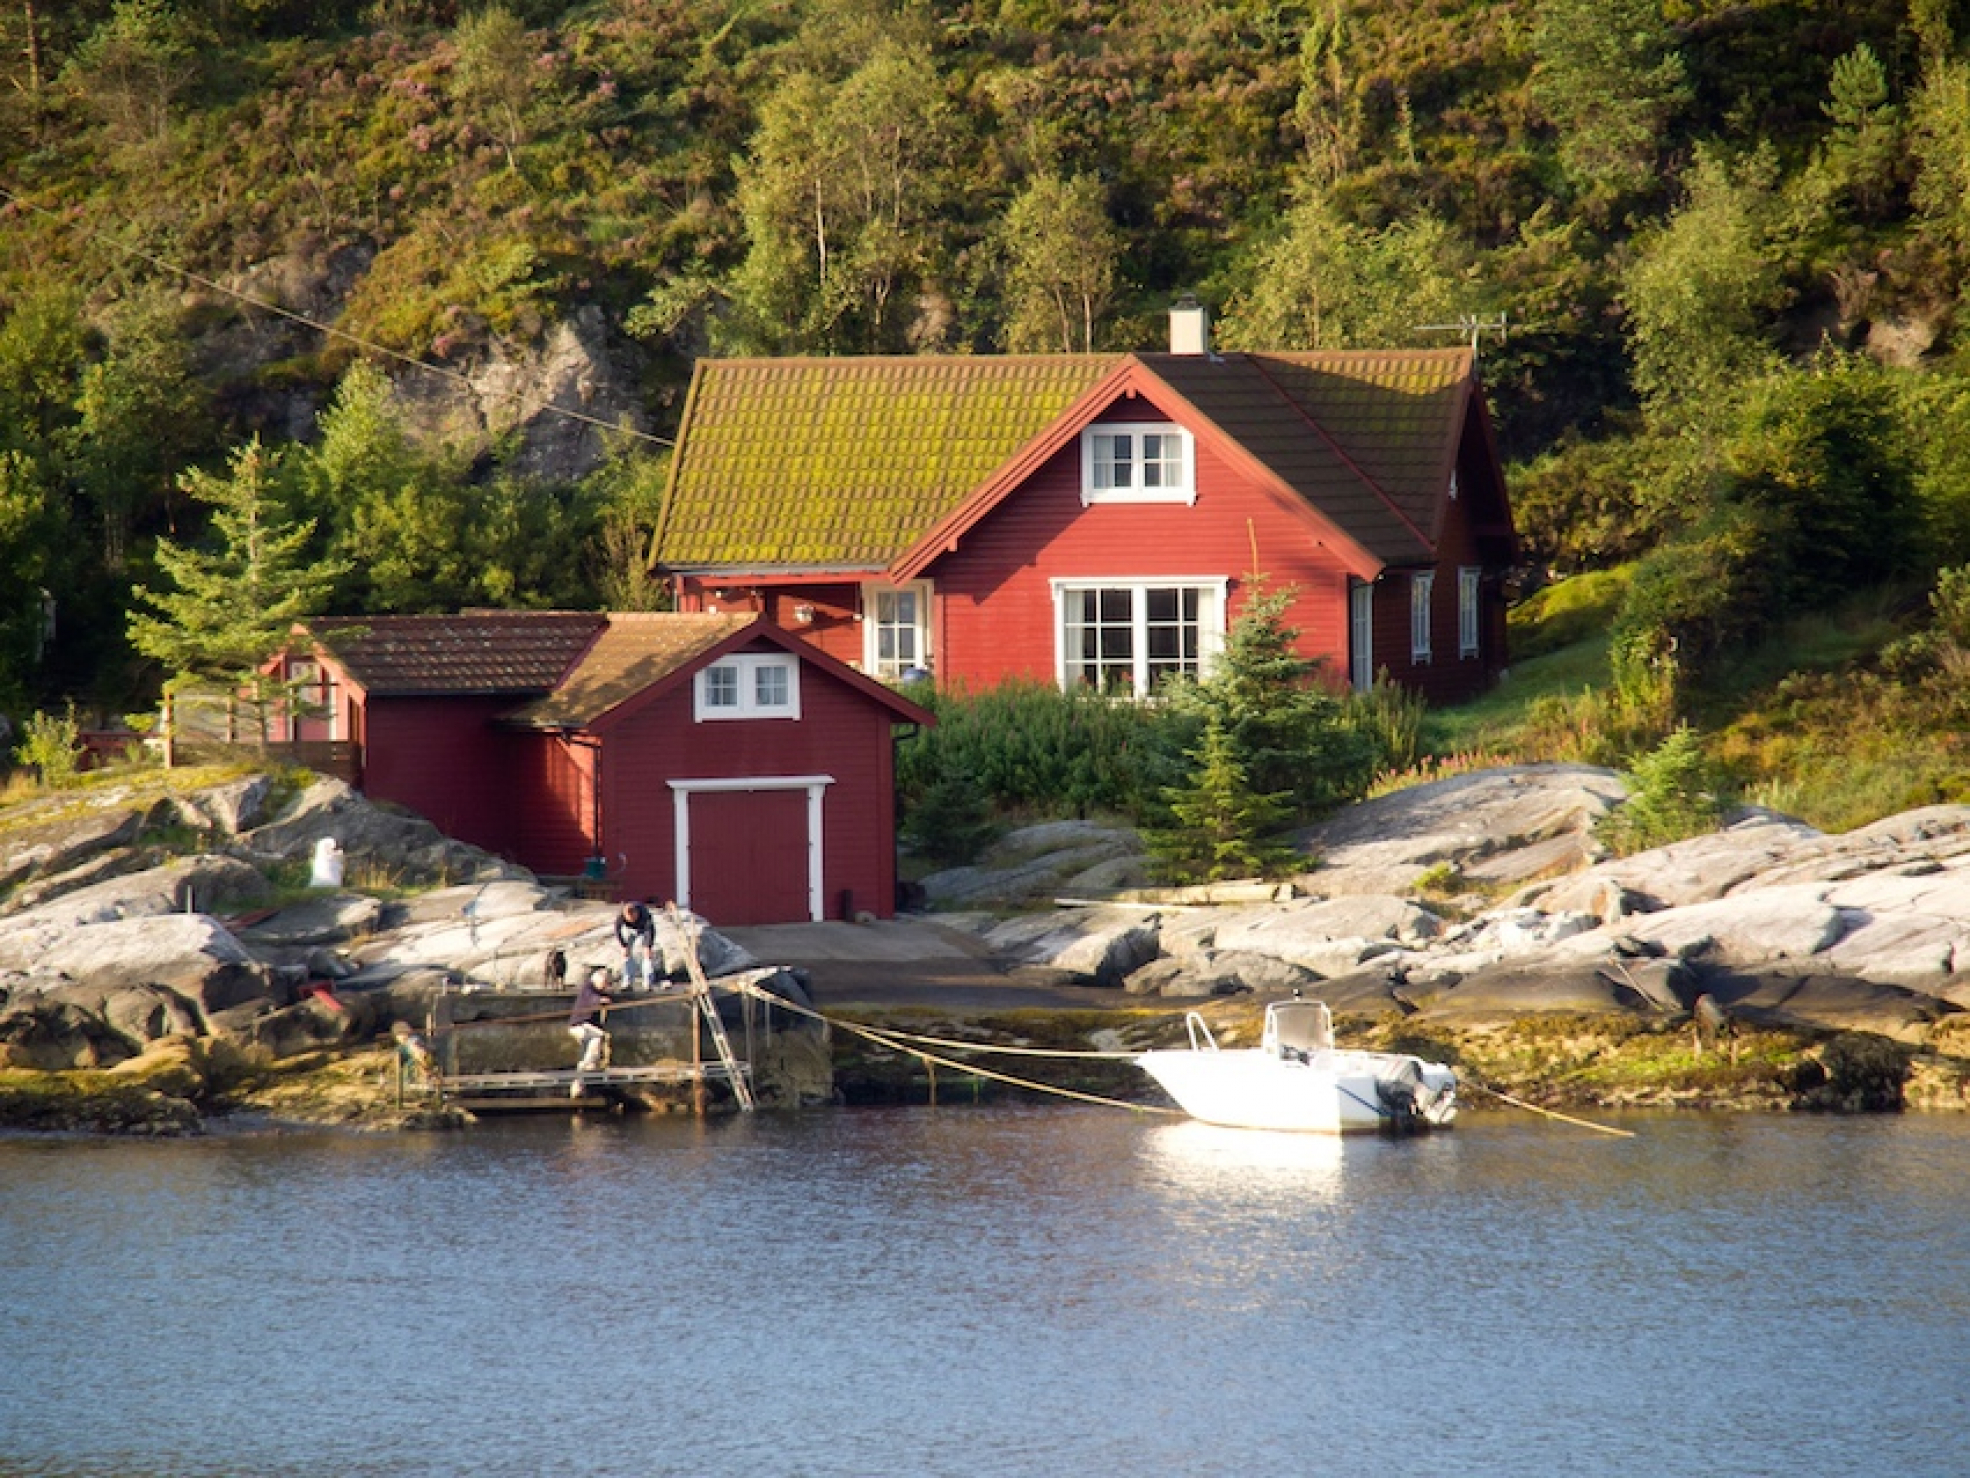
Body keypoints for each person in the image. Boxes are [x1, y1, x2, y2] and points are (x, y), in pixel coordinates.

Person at [568, 967, 614, 1095]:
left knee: (591, 1045)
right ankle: (588, 1065)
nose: (605, 987)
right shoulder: (587, 987)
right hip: (579, 1025)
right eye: (604, 983)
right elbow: (591, 998)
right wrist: (600, 1000)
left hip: (588, 1026)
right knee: (597, 1036)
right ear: (598, 980)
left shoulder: (599, 990)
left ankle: (580, 1079)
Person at [615, 898, 658, 990]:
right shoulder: (621, 915)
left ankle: (648, 984)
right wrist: (623, 945)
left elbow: (650, 931)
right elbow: (617, 930)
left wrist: (648, 946)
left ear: (636, 913)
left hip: (644, 930)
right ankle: (627, 983)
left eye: (633, 918)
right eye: (629, 919)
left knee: (647, 956)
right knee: (626, 956)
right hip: (629, 930)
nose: (632, 920)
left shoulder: (644, 913)